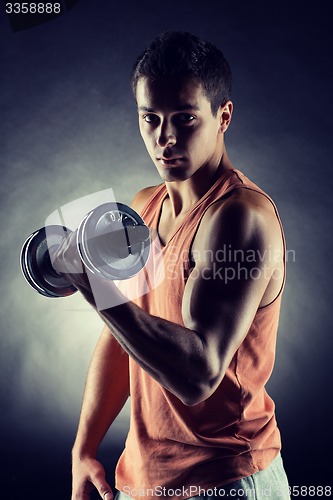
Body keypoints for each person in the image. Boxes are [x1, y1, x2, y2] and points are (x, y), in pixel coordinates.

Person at [58, 31, 290, 500]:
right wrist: (84, 449)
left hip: (225, 480)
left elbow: (199, 375)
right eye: (150, 119)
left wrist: (95, 285)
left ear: (223, 117)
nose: (166, 138)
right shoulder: (144, 205)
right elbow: (124, 337)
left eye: (185, 119)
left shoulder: (240, 217)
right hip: (142, 477)